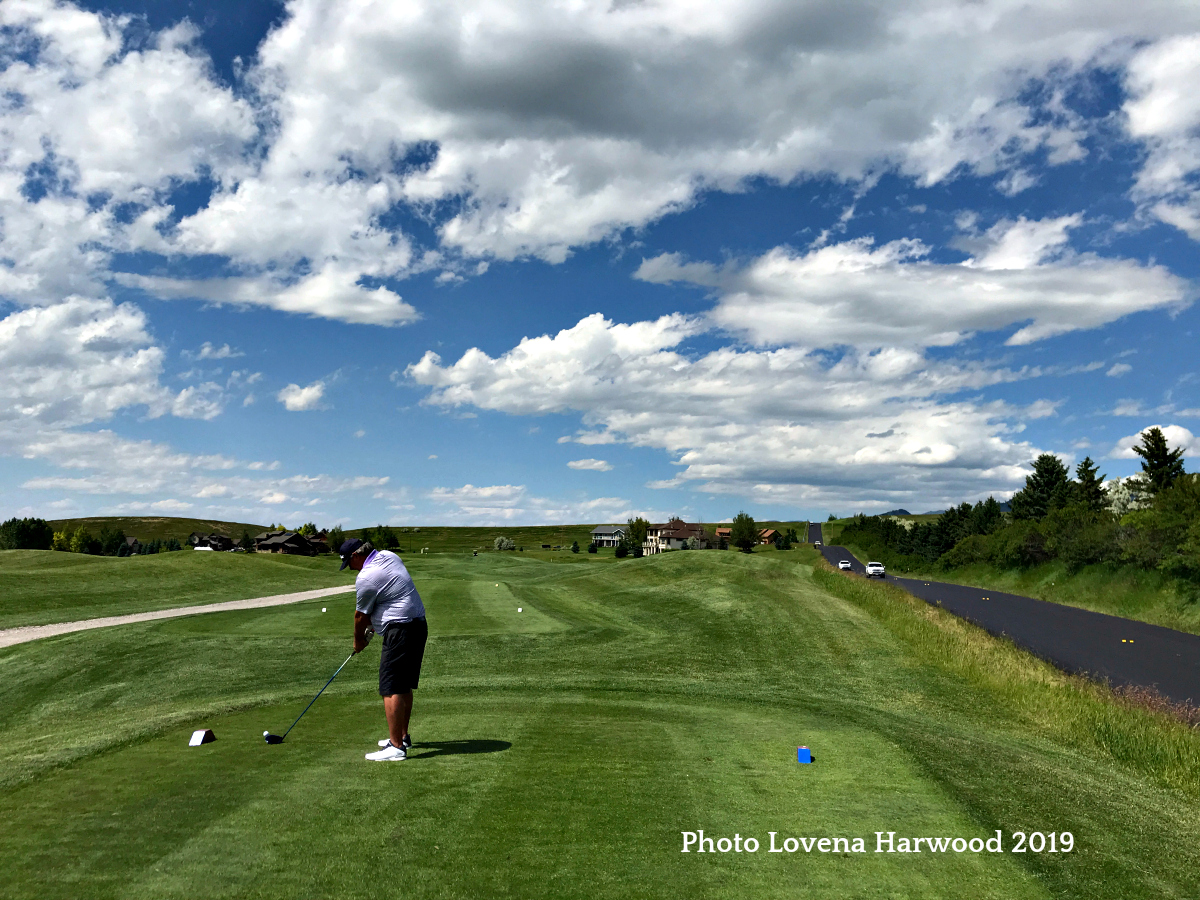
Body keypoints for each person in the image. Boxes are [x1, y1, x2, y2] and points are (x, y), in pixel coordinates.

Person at [340, 538, 428, 762]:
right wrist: (374, 628)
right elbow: (386, 598)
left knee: (390, 686)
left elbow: (361, 616)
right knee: (404, 683)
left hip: (400, 630)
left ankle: (396, 747)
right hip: (417, 624)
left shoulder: (366, 576)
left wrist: (359, 641)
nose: (350, 568)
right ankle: (402, 736)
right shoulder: (389, 556)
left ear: (356, 556)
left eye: (349, 563)